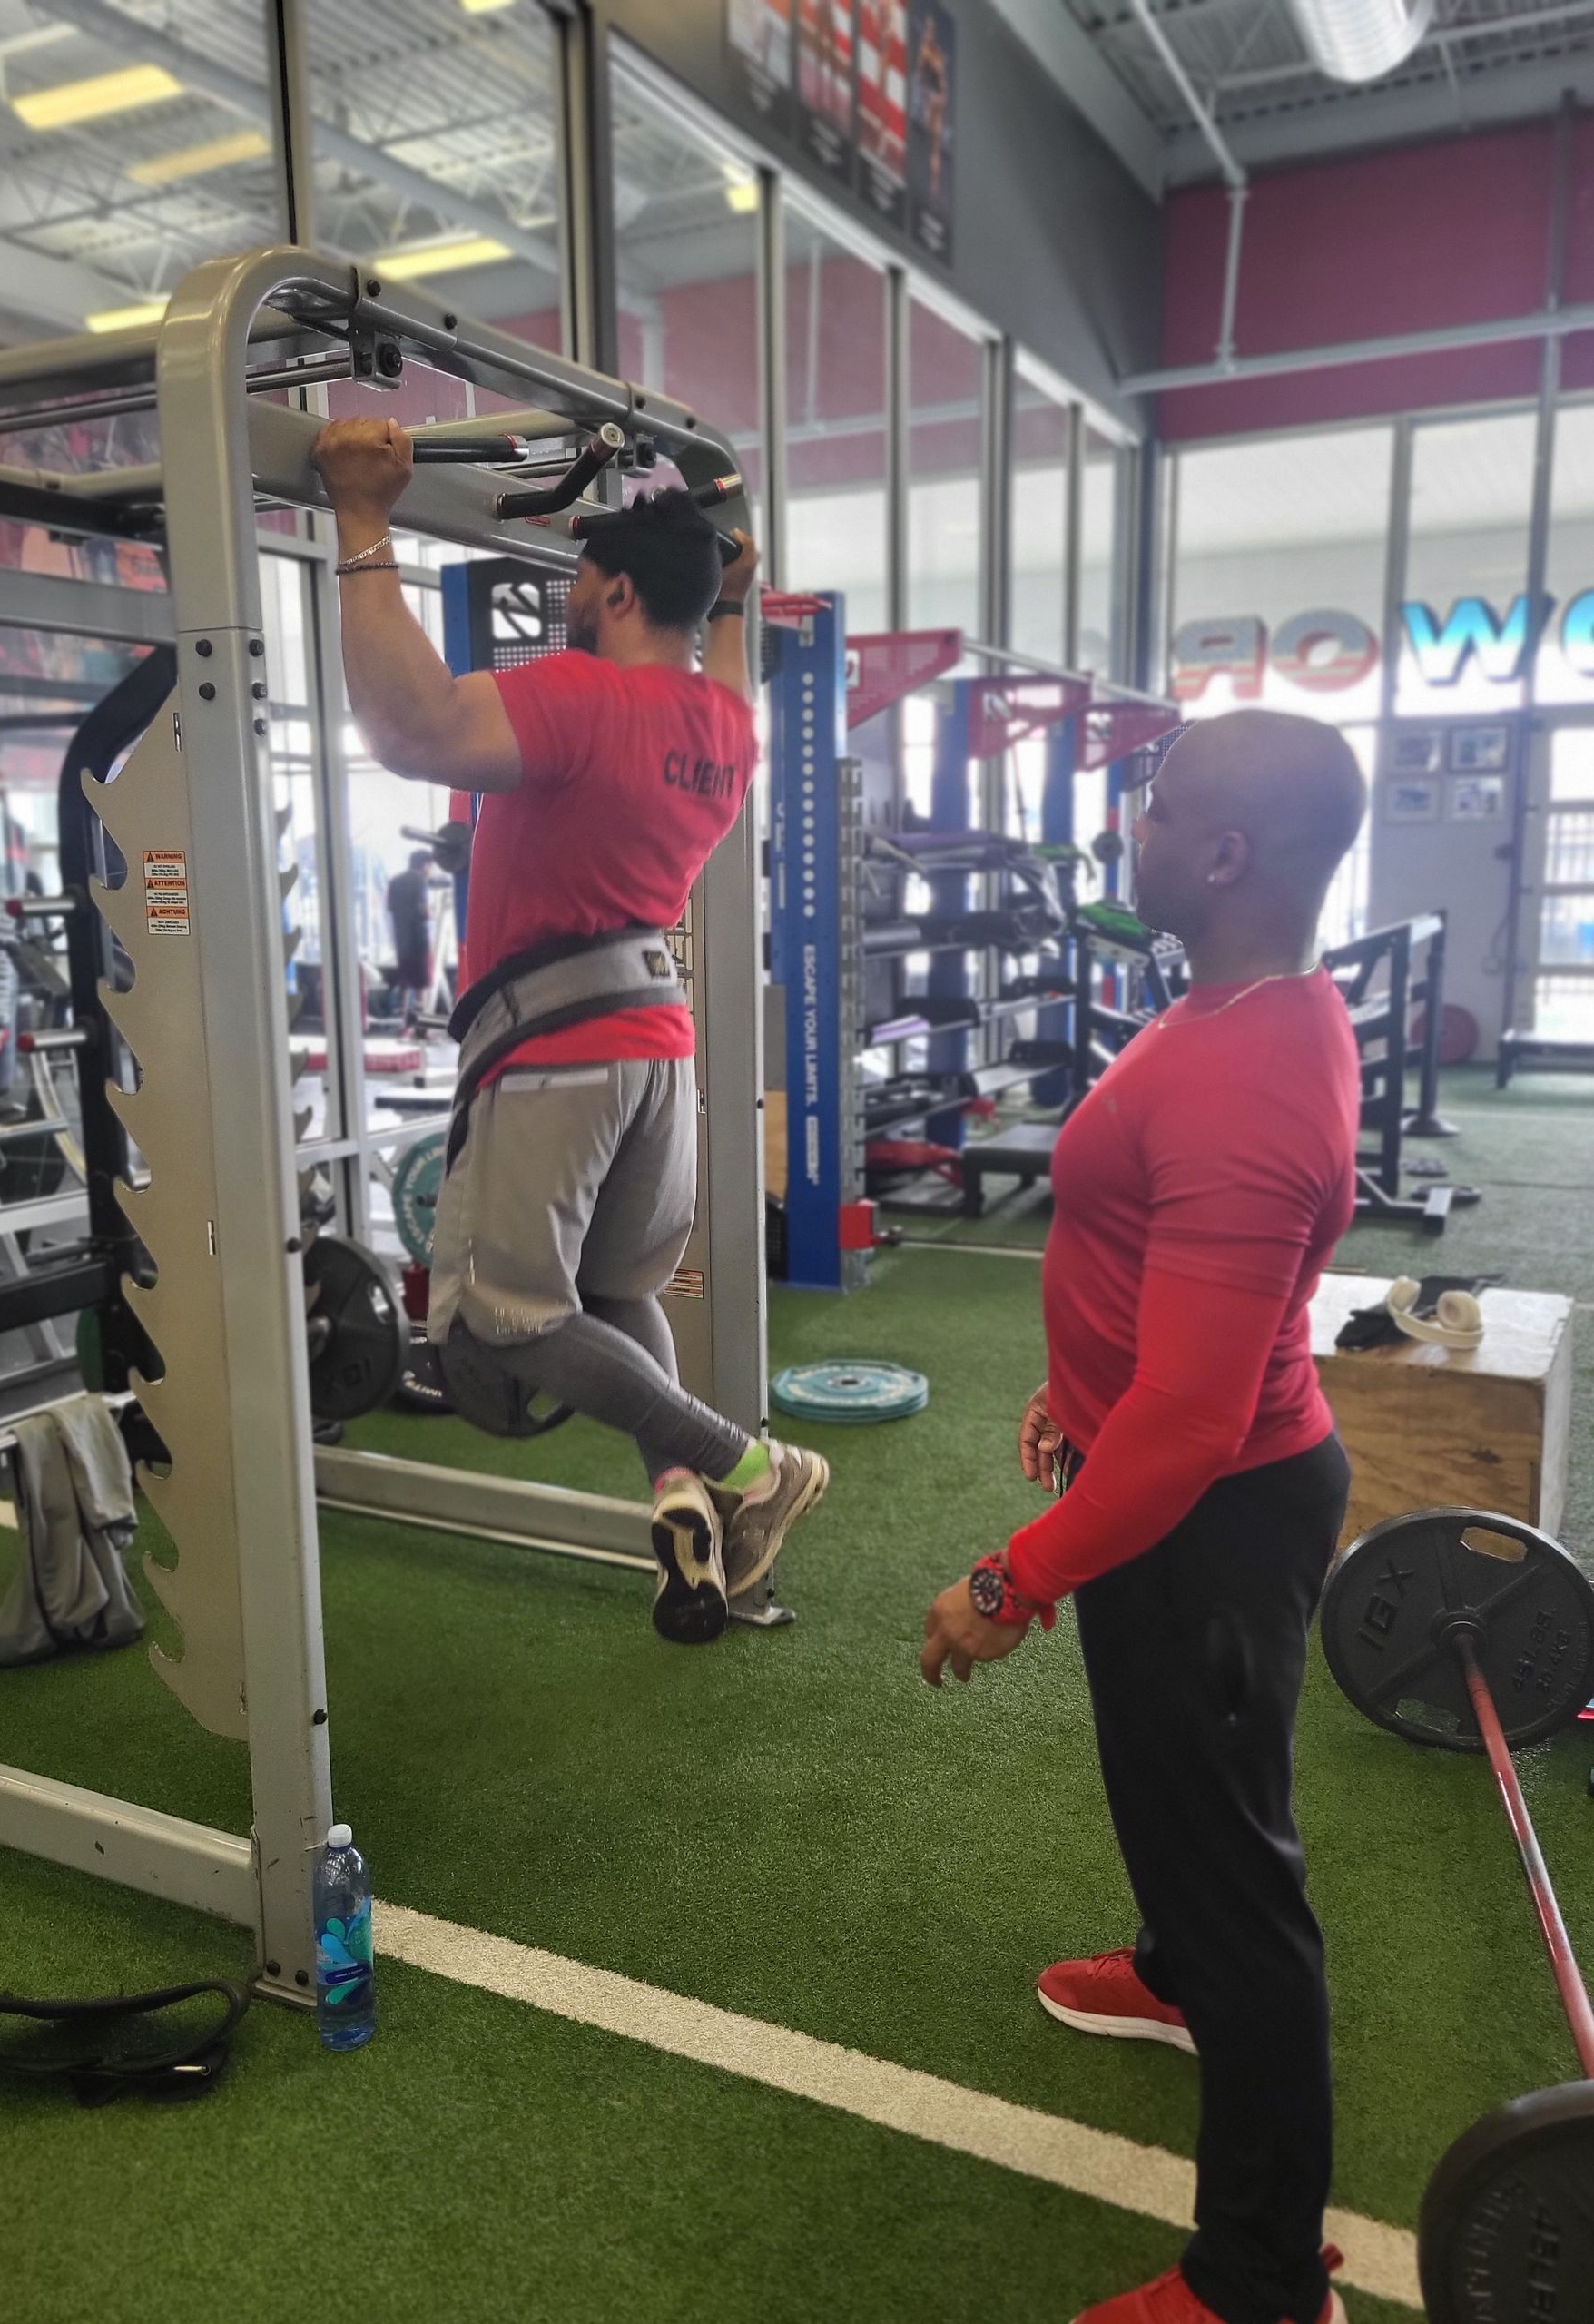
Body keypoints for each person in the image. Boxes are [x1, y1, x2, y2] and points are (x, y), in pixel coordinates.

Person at [920, 711, 1368, 2324]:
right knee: (1191, 1818)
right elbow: (1172, 1317)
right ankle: (1174, 1979)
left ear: (1227, 854)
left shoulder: (1251, 1067)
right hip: (1185, 1487)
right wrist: (1080, 1390)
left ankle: (1259, 2280)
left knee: (1243, 1883)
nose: (1136, 834)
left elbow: (1189, 1417)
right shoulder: (1242, 1002)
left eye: (1160, 814)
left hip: (1211, 1519)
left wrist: (1012, 1576)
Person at [312, 416, 828, 1646]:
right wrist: (729, 605)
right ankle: (684, 1505)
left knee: (501, 1316)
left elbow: (413, 730)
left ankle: (749, 1467)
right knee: (614, 1289)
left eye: (578, 584)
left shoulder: (580, 698)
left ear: (609, 590)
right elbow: (721, 661)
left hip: (560, 1055)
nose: (569, 601)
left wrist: (364, 524)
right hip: (654, 1047)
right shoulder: (723, 730)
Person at [385, 846, 436, 1030]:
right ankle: (420, 1027)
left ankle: (401, 1026)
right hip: (418, 941)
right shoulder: (420, 882)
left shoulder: (395, 882)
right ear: (424, 865)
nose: (431, 870)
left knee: (405, 982)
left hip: (402, 941)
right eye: (430, 866)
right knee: (421, 985)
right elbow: (423, 911)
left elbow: (390, 908)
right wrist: (431, 913)